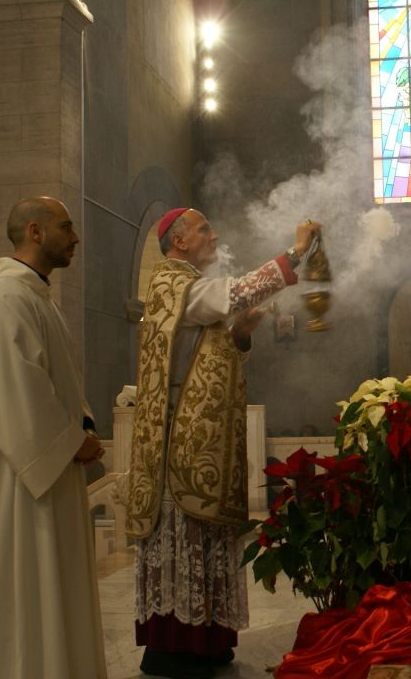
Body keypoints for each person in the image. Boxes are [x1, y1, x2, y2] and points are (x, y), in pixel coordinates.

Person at [126, 208, 320, 679]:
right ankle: (175, 649)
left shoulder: (187, 286)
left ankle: (207, 641)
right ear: (179, 241)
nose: (214, 236)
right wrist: (295, 253)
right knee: (186, 534)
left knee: (205, 534)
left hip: (197, 437)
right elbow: (236, 293)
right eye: (204, 230)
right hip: (180, 443)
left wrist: (238, 336)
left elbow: (198, 356)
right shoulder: (175, 283)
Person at [0, 196, 106, 679]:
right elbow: (18, 392)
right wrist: (71, 442)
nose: (76, 237)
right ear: (35, 232)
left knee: (56, 593)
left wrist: (83, 428)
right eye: (66, 227)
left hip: (51, 473)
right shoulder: (6, 299)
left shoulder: (38, 299)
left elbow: (62, 385)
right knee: (27, 596)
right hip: (21, 486)